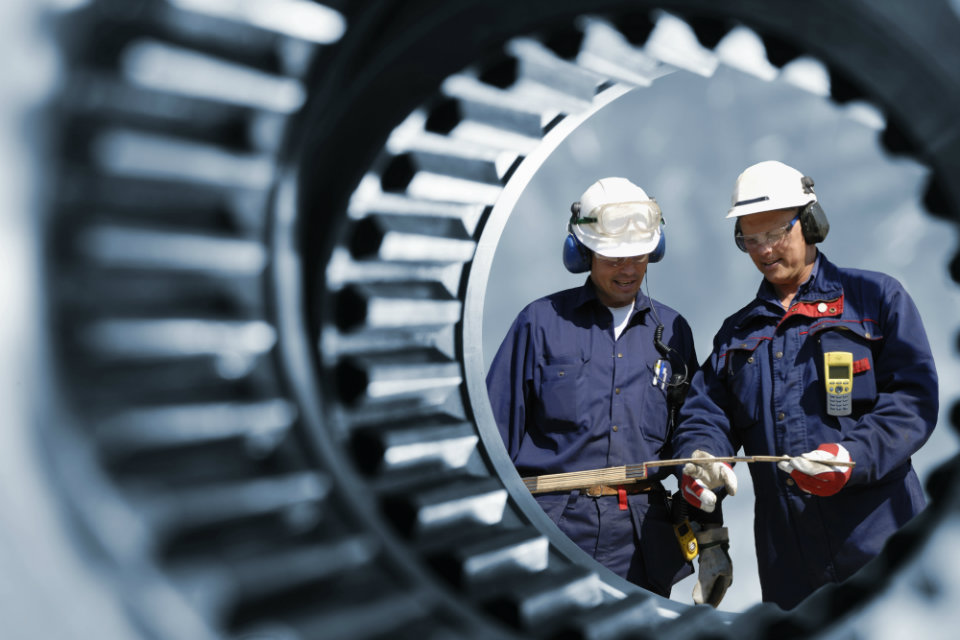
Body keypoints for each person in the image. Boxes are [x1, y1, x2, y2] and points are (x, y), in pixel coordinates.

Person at [672, 160, 939, 610]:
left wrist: (854, 456)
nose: (763, 250)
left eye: (775, 233)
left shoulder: (875, 299)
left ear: (811, 223)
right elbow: (706, 414)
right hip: (790, 566)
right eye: (749, 239)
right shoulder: (736, 336)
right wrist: (702, 460)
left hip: (881, 541)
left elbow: (913, 399)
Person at [486, 177, 729, 602]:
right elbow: (489, 443)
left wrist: (712, 536)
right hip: (551, 535)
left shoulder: (673, 332)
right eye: (615, 257)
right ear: (583, 253)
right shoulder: (539, 324)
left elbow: (689, 436)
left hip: (643, 544)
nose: (630, 269)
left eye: (639, 255)